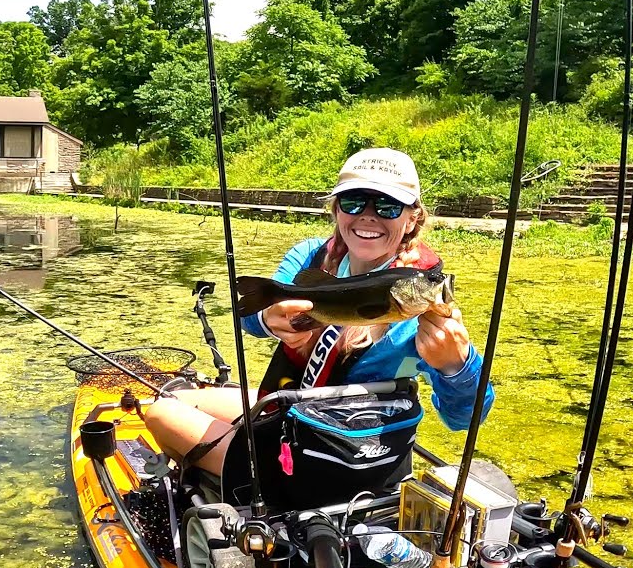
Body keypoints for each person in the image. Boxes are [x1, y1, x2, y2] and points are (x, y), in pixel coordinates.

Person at [144, 147, 495, 506]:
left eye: (387, 206)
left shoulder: (417, 301)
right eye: (354, 202)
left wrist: (456, 365)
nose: (368, 216)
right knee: (179, 397)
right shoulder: (310, 256)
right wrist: (268, 319)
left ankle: (236, 491)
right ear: (336, 209)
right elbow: (252, 311)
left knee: (159, 412)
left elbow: (464, 418)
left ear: (411, 218)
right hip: (292, 414)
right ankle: (220, 479)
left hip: (333, 460)